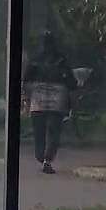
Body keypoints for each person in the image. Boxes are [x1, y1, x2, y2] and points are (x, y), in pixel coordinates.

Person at [23, 34, 72, 175]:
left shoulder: (36, 60)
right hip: (57, 99)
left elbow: (26, 80)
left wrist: (27, 95)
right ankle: (47, 159)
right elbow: (70, 80)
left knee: (39, 130)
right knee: (53, 131)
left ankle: (42, 156)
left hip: (39, 99)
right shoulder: (61, 60)